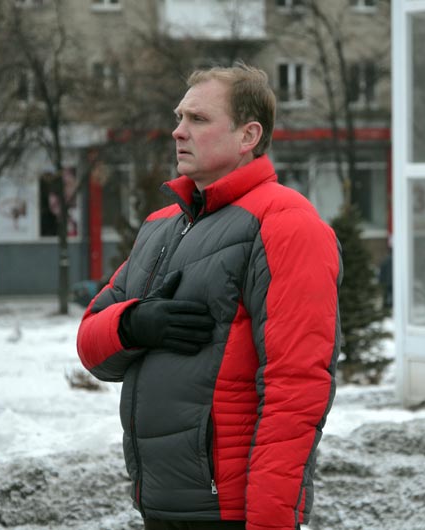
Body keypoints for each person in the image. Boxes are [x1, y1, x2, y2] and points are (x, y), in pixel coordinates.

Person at [76, 64, 342, 530]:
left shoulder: (286, 224)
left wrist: (270, 522)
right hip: (159, 505)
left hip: (228, 512)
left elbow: (296, 388)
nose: (178, 131)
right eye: (179, 117)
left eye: (198, 119)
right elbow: (91, 348)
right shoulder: (162, 226)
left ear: (248, 135)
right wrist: (134, 324)